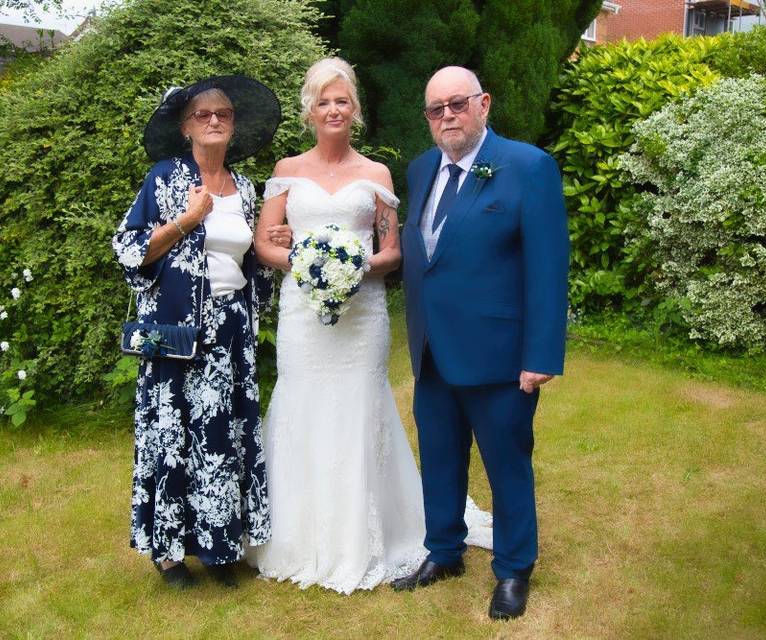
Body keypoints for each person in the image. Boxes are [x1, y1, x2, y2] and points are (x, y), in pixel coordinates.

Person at [252, 57, 492, 594]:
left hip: (362, 317)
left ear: (354, 110)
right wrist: (310, 268)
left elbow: (390, 251)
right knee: (301, 405)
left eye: (342, 100)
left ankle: (373, 535)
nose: (333, 109)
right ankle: (295, 536)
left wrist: (353, 269)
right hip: (302, 315)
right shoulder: (287, 171)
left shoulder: (377, 176)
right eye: (323, 101)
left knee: (361, 406)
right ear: (310, 111)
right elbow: (265, 242)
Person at [392, 66, 569, 620]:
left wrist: (540, 356)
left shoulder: (528, 167)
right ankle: (443, 552)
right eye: (435, 108)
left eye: (457, 104)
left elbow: (548, 267)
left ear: (483, 104)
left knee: (506, 464)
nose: (447, 115)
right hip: (432, 352)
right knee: (440, 459)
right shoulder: (421, 170)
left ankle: (514, 570)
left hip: (499, 356)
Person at [112, 76, 289, 588]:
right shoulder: (165, 180)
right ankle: (168, 554)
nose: (215, 121)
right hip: (176, 332)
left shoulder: (247, 188)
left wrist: (275, 240)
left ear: (233, 127)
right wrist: (186, 221)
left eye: (224, 114)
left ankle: (219, 546)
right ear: (186, 126)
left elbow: (252, 260)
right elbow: (128, 251)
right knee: (173, 437)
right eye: (204, 115)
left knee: (223, 438)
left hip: (231, 331)